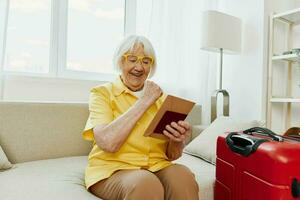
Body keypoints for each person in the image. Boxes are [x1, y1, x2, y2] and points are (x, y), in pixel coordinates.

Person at [82, 35, 199, 200]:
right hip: (112, 170)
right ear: (121, 62)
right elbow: (108, 142)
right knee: (145, 182)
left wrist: (177, 140)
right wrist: (144, 101)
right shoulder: (102, 93)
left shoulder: (162, 100)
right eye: (132, 59)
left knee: (183, 176)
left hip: (156, 167)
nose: (139, 67)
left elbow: (172, 156)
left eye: (146, 61)